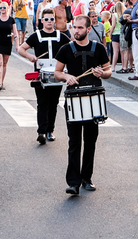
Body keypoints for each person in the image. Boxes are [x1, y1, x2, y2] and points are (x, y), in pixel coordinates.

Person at [54, 15, 111, 195]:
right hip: (74, 99)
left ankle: (87, 178)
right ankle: (73, 182)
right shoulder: (66, 49)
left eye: (80, 28)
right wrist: (67, 76)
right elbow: (57, 72)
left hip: (93, 98)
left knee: (90, 141)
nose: (76, 31)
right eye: (74, 28)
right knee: (74, 142)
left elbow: (109, 70)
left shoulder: (99, 48)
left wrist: (102, 73)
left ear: (88, 29)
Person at [18, 9, 71, 144]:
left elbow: (72, 48)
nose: (49, 22)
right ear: (42, 21)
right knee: (42, 103)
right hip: (41, 75)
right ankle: (41, 132)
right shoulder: (36, 36)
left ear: (55, 20)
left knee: (53, 103)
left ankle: (49, 130)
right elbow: (21, 48)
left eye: (51, 19)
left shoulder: (61, 36)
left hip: (57, 74)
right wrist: (30, 56)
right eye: (46, 19)